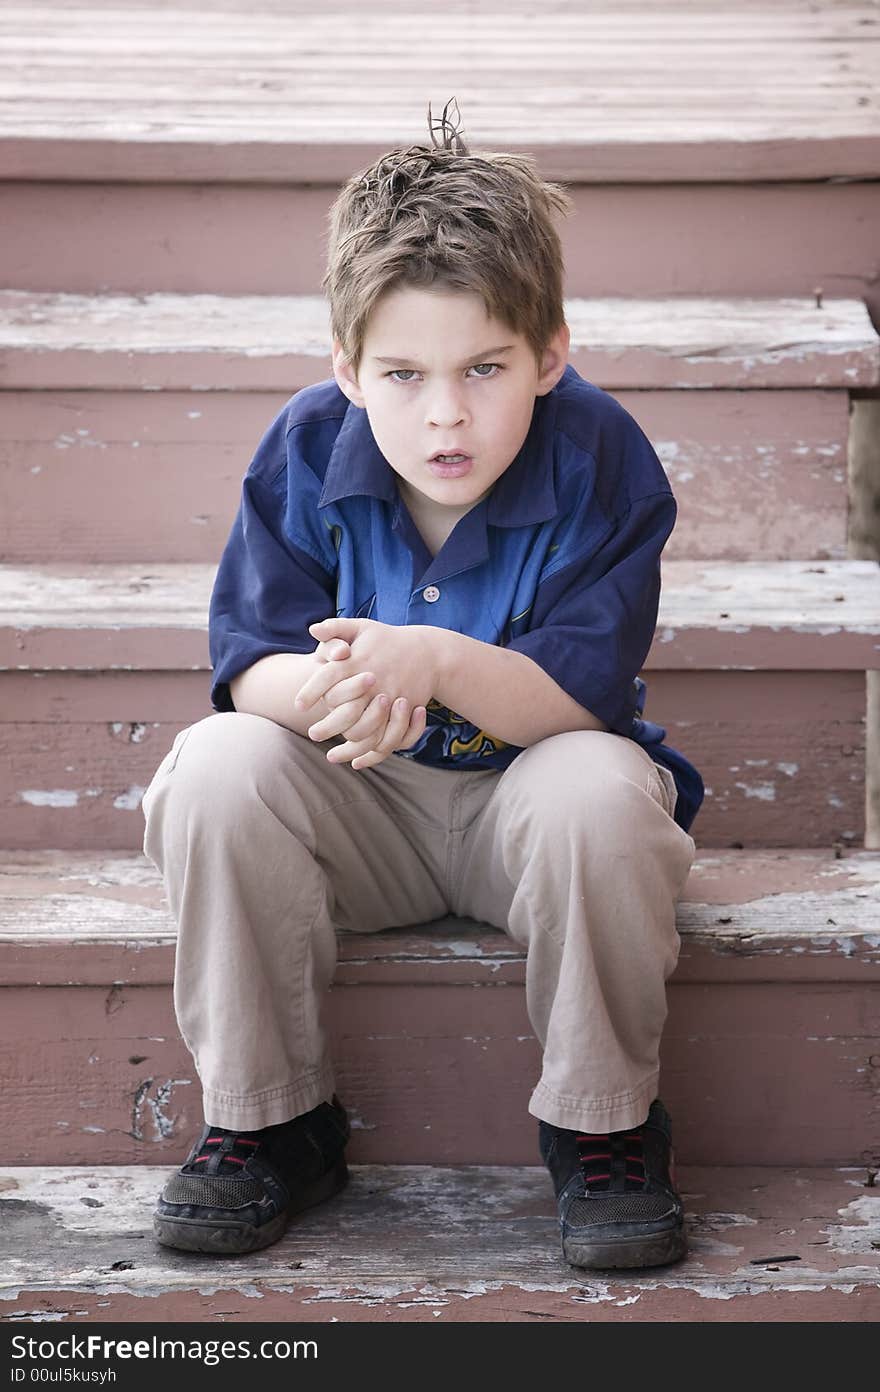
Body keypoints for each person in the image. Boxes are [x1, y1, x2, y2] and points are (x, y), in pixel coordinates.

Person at [141, 98, 704, 1271]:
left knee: (603, 787)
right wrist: (338, 694)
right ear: (347, 368)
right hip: (363, 811)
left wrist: (436, 662)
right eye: (401, 373)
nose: (443, 412)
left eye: (483, 368)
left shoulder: (601, 457)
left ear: (550, 352)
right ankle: (271, 1120)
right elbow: (251, 669)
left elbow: (579, 698)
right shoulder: (303, 448)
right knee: (216, 766)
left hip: (527, 820)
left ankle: (601, 1129)